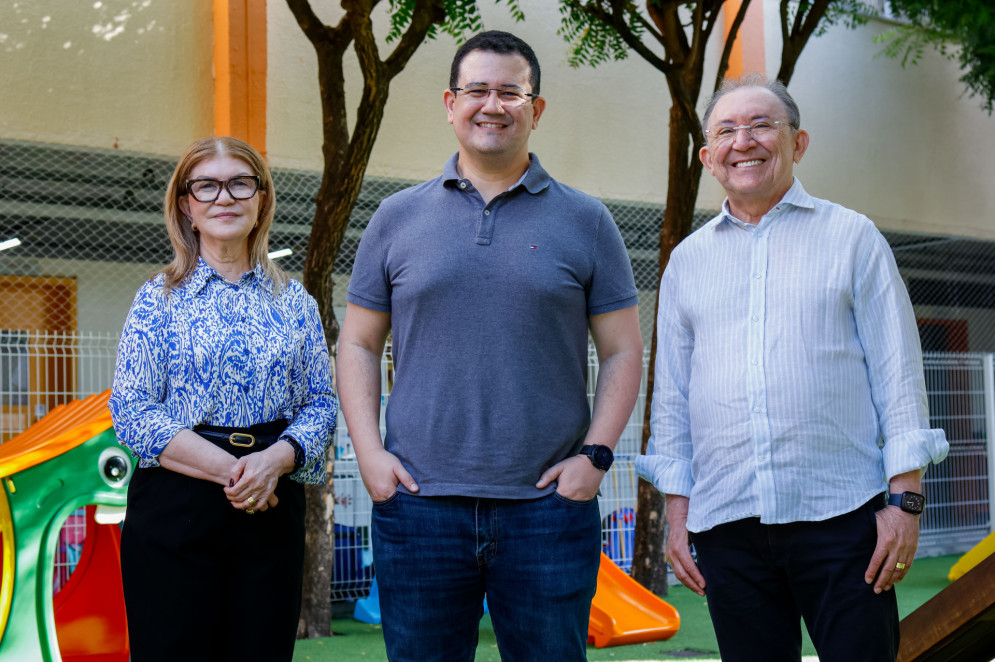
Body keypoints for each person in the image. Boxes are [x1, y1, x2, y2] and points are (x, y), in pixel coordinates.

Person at [337, 30, 643, 662]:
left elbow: (622, 350)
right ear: (450, 103)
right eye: (477, 89)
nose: (493, 104)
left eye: (511, 91)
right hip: (418, 507)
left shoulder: (587, 221)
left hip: (548, 510)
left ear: (537, 109)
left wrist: (597, 457)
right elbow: (360, 343)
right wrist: (369, 454)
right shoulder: (396, 217)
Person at [636, 74, 949, 662]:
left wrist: (905, 501)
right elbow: (672, 395)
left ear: (798, 143)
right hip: (726, 522)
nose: (743, 141)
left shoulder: (852, 237)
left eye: (761, 125)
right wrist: (677, 512)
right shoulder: (688, 262)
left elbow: (898, 372)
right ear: (707, 157)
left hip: (843, 518)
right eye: (726, 130)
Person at [108, 136, 336, 662]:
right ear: (186, 206)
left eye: (240, 183)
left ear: (260, 200)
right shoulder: (155, 299)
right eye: (206, 185)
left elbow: (320, 404)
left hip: (271, 502)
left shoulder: (295, 302)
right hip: (177, 502)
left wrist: (274, 462)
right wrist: (237, 475)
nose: (224, 197)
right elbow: (133, 411)